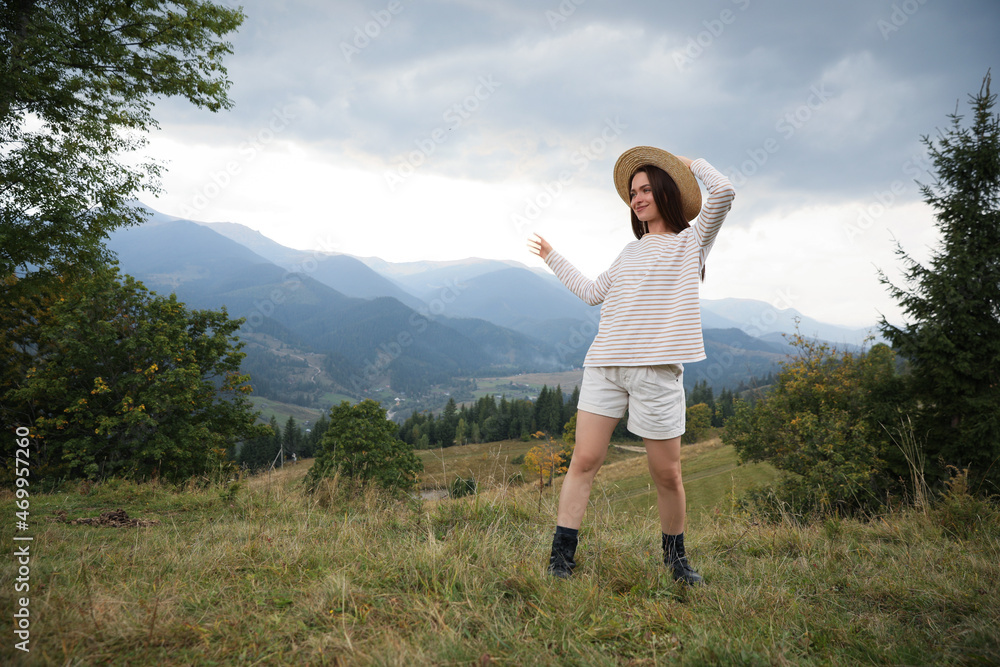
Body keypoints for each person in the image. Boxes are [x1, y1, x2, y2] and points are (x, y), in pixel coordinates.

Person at [527, 146, 735, 584]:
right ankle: (560, 560)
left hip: (656, 373)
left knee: (667, 473)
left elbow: (724, 192)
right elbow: (589, 291)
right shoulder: (628, 252)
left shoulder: (690, 243)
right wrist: (551, 255)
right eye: (632, 192)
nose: (637, 198)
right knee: (583, 460)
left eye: (645, 189)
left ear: (665, 191)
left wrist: (692, 164)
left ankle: (676, 561)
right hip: (604, 366)